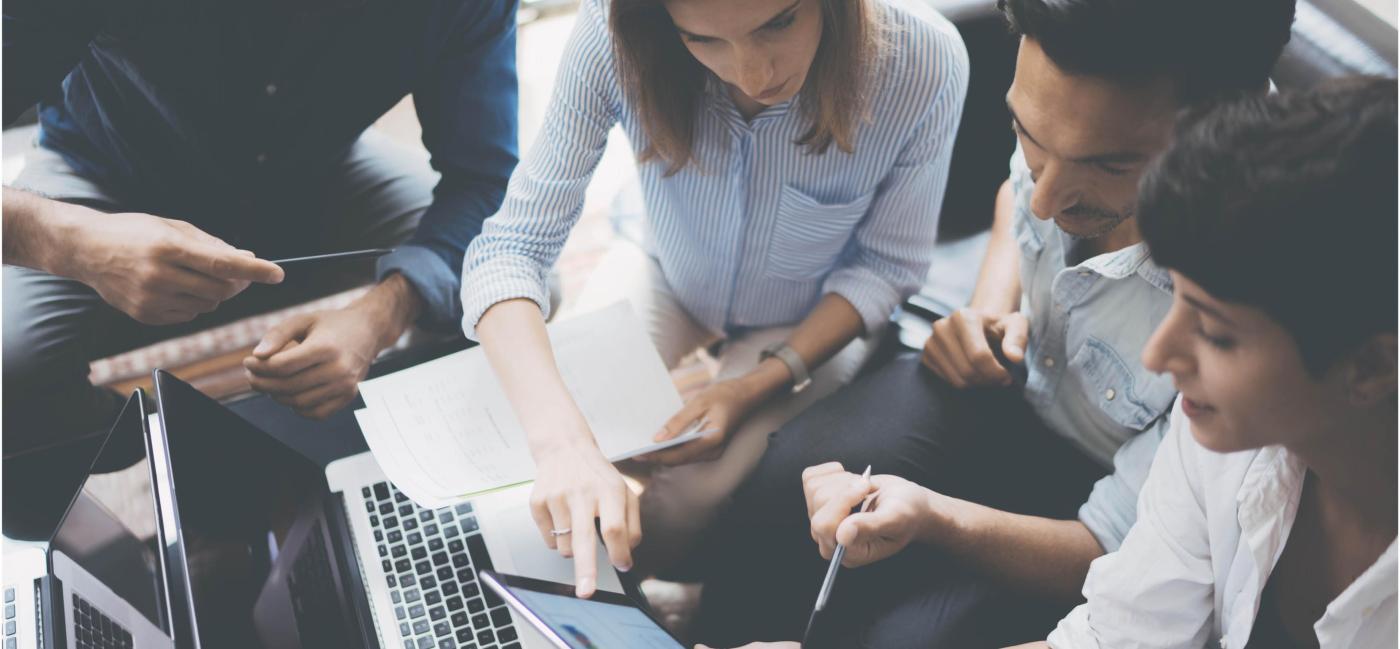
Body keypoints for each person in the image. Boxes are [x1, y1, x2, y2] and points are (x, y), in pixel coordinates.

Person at [694, 0, 1296, 645]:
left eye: (1108, 167)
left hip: (1107, 504)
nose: (1046, 197)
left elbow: (1123, 553)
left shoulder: (1251, 304)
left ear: (1221, 131)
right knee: (791, 474)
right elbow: (1019, 199)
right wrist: (989, 305)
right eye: (1030, 140)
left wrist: (936, 519)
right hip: (1015, 389)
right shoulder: (1073, 117)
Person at [459, 0, 969, 597]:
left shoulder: (924, 60)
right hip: (666, 265)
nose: (753, 76)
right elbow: (509, 248)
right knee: (551, 437)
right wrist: (563, 442)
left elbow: (886, 266)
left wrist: (753, 386)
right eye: (701, 40)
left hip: (810, 314)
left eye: (779, 22)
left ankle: (629, 602)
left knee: (692, 494)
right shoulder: (612, 33)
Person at [1, 0, 519, 538]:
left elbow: (485, 183)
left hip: (315, 183)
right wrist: (76, 244)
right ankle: (138, 469)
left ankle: (406, 468)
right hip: (107, 186)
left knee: (510, 283)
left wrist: (385, 311)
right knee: (7, 378)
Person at [1011, 75, 1397, 649]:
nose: (1159, 354)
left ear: (1367, 368)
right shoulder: (1223, 440)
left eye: (1215, 334)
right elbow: (1112, 639)